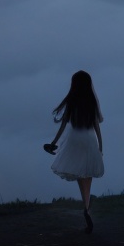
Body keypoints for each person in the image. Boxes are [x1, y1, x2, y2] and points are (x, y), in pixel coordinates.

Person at [44, 70, 104, 233]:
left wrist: (53, 143)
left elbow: (63, 124)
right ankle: (87, 206)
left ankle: (85, 203)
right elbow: (97, 125)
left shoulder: (72, 100)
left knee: (78, 172)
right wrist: (101, 146)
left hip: (74, 139)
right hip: (89, 139)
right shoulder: (91, 100)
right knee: (87, 173)